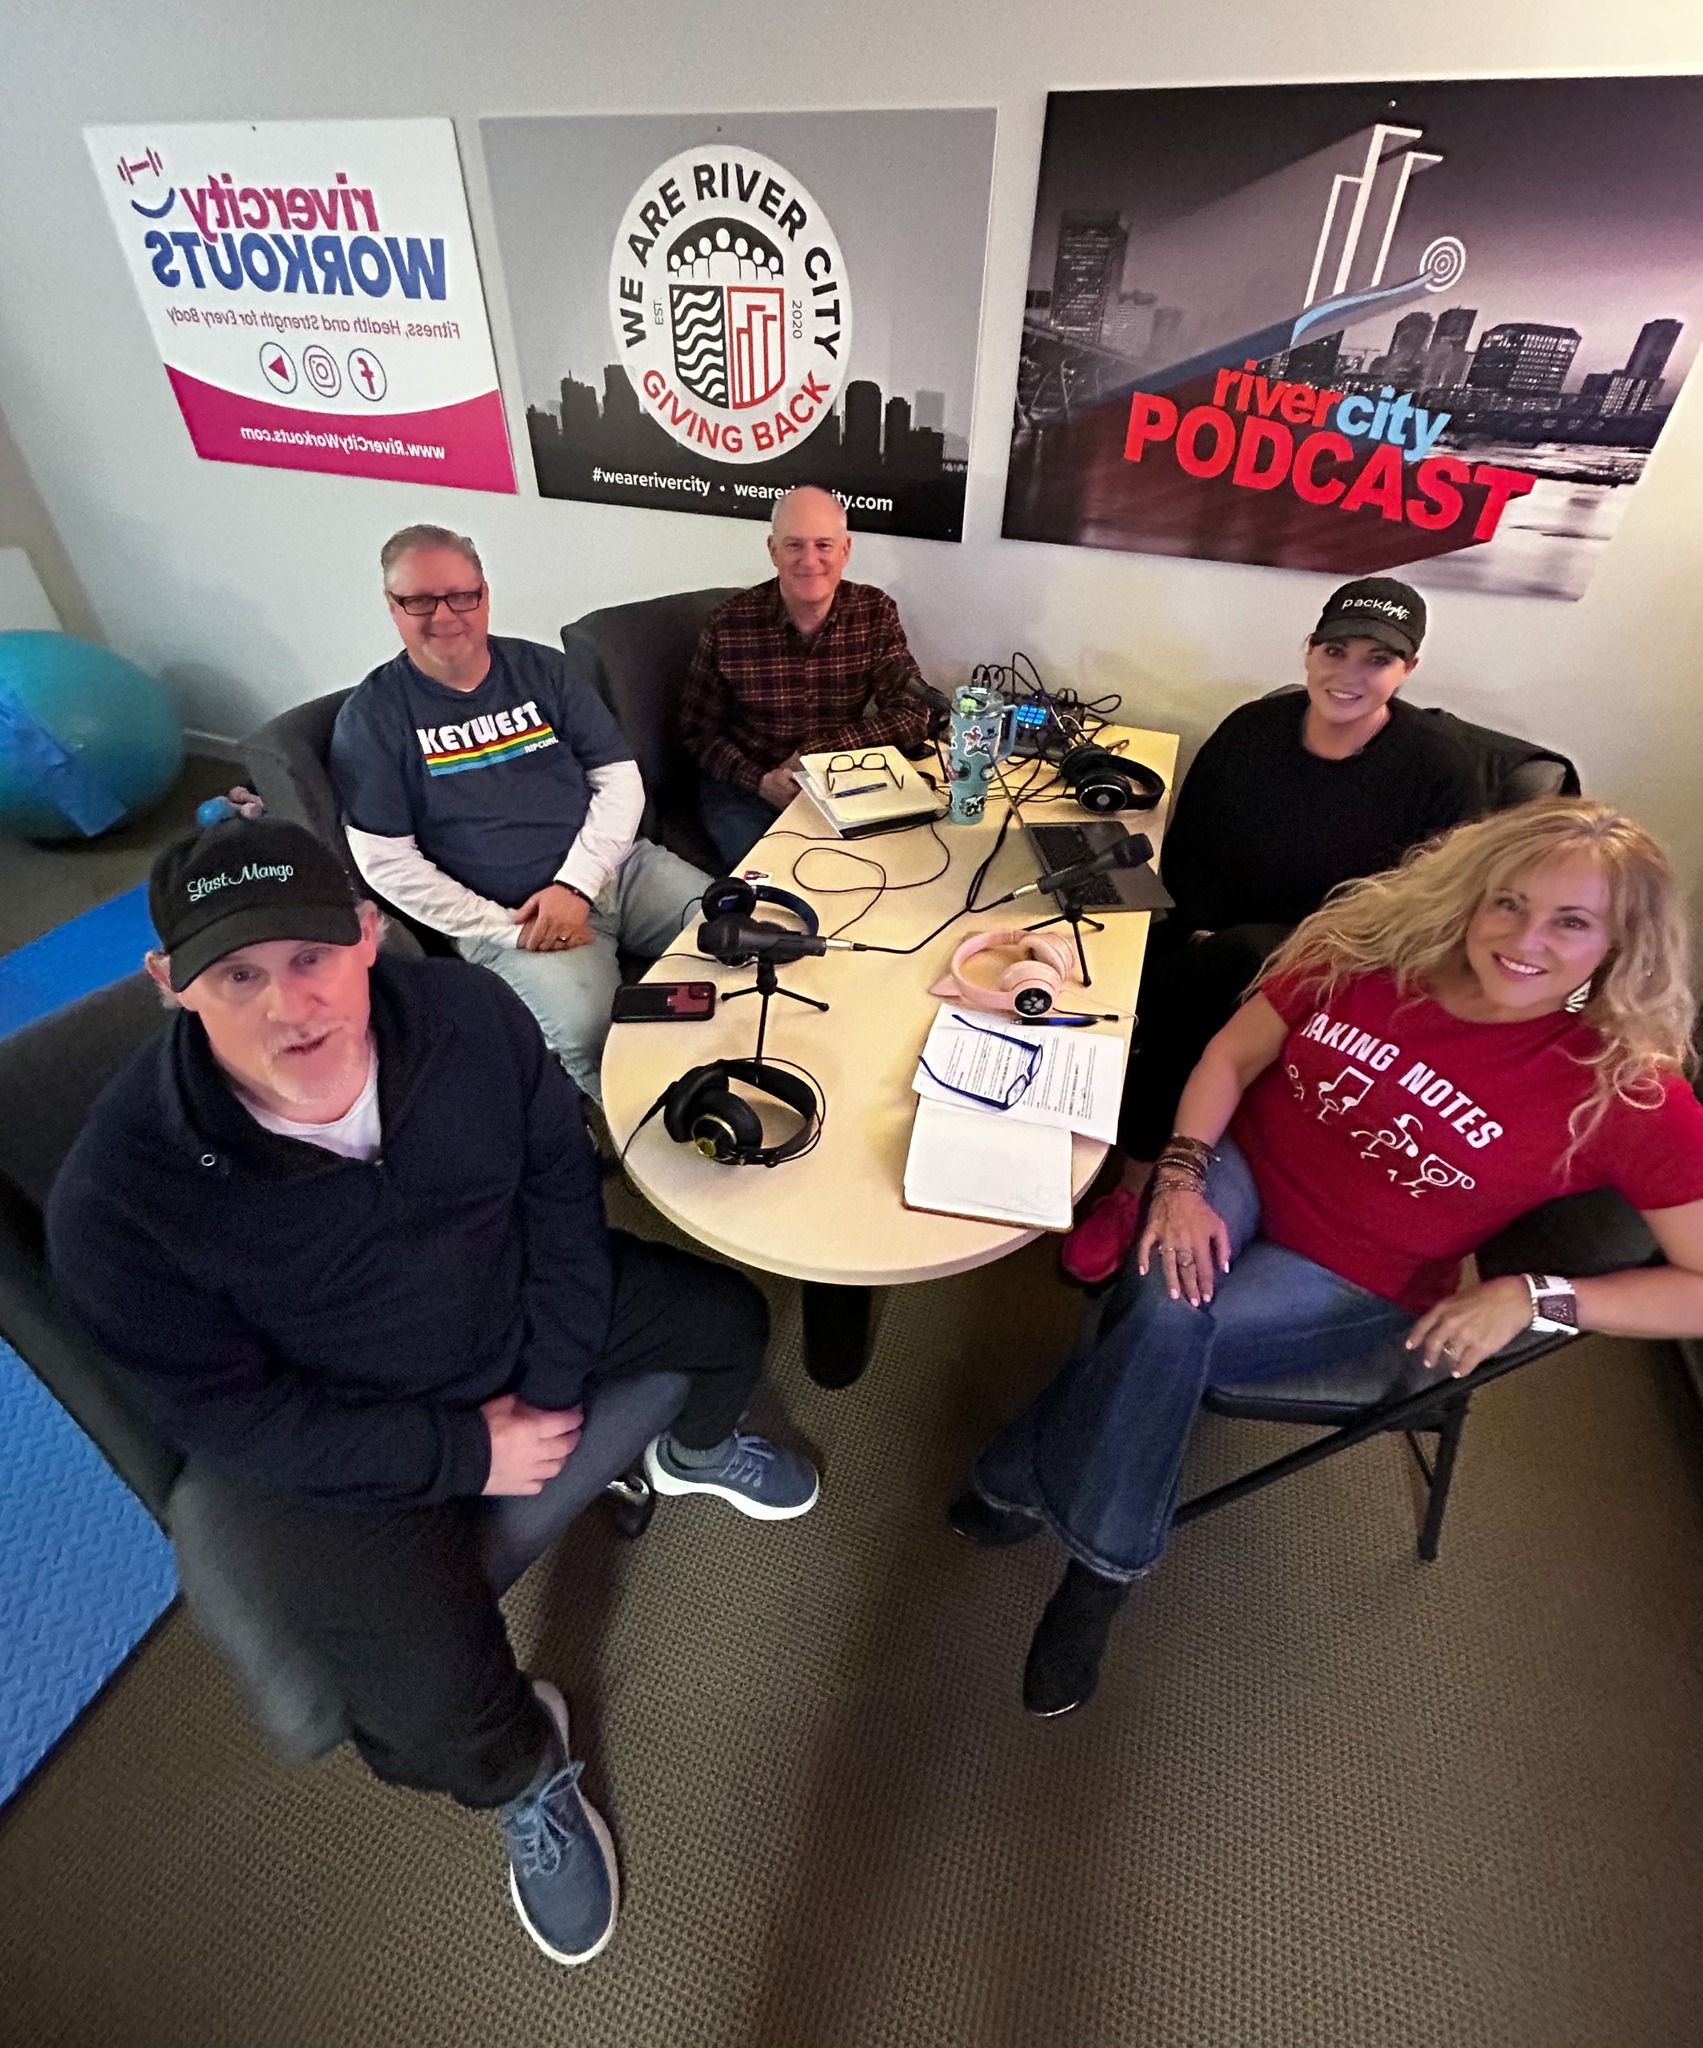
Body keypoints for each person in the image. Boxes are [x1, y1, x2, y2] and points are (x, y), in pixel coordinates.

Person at [47, 818, 819, 1967]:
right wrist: (463, 1451)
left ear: (368, 935)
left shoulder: (468, 1015)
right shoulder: (114, 1201)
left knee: (729, 1322)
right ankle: (524, 1771)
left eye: (309, 956)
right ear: (170, 982)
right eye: (236, 973)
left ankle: (688, 1452)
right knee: (425, 1723)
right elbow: (227, 1419)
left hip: (505, 1306)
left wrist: (553, 1380)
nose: (284, 1005)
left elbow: (561, 1190)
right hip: (343, 1421)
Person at [953, 799, 1703, 1718]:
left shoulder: (1624, 1090)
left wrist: (1533, 1294)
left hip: (1360, 1273)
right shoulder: (1365, 950)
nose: (1524, 940)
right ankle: (1089, 1544)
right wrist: (1181, 1181)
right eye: (1507, 903)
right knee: (1161, 1296)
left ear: (1619, 944)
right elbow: (1229, 1059)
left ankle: (1064, 1526)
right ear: (1471, 895)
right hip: (1240, 1173)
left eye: (1570, 922)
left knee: (1161, 1311)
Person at [1063, 575, 1486, 1286]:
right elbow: (1186, 854)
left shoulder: (1437, 771)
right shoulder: (1249, 732)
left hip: (1346, 976)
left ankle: (1151, 1184)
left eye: (1375, 661)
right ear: (1308, 651)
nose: (1347, 674)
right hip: (1213, 950)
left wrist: (1299, 957)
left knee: (1234, 967)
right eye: (1334, 650)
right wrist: (1193, 932)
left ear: (1406, 670)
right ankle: (1129, 1178)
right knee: (1126, 958)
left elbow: (1441, 913)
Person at [329, 523, 711, 1103]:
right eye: (419, 601)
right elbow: (385, 863)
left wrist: (575, 887)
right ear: (392, 606)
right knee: (594, 1033)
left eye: (462, 595)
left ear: (485, 593)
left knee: (744, 937)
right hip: (513, 920)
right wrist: (504, 931)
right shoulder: (373, 718)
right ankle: (650, 1148)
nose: (444, 615)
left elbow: (618, 780)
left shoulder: (541, 670)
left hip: (617, 873)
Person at [680, 485, 935, 866]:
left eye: (824, 545)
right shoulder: (727, 625)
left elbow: (913, 712)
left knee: (888, 870)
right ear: (773, 550)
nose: (809, 559)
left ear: (845, 550)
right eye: (794, 545)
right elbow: (696, 732)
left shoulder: (873, 613)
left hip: (841, 780)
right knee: (772, 884)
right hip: (747, 788)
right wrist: (760, 781)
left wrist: (818, 753)